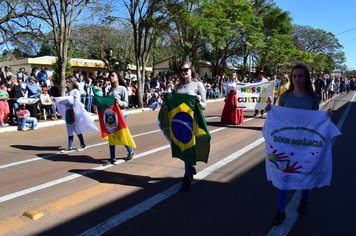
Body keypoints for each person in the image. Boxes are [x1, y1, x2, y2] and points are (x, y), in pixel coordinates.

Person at [265, 64, 333, 226]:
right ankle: (280, 210)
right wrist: (270, 110)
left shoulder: (313, 99)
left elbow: (315, 121)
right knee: (283, 173)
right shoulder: (285, 97)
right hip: (285, 143)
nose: (297, 79)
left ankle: (304, 199)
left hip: (304, 143)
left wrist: (327, 117)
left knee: (305, 170)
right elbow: (278, 118)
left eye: (300, 76)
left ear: (306, 78)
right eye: (294, 76)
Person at [173, 61, 206, 192]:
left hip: (192, 121)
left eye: (186, 69)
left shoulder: (198, 85)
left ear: (191, 70)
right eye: (181, 70)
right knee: (181, 148)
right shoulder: (177, 87)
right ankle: (190, 167)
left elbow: (205, 105)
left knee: (187, 147)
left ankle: (186, 178)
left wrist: (198, 100)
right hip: (179, 121)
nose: (184, 72)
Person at [103, 71, 135, 165]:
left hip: (121, 115)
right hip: (111, 116)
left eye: (113, 76)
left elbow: (126, 104)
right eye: (110, 76)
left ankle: (131, 151)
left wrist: (119, 102)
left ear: (118, 77)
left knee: (121, 135)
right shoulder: (110, 90)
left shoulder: (122, 89)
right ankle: (112, 158)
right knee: (111, 136)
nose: (111, 77)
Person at [61, 76, 87, 153]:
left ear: (72, 82)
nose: (67, 83)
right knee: (69, 129)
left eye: (69, 82)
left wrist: (75, 98)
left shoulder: (75, 91)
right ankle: (70, 146)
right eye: (67, 82)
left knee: (76, 129)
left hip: (74, 113)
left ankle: (82, 144)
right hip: (68, 112)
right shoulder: (67, 92)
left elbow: (77, 101)